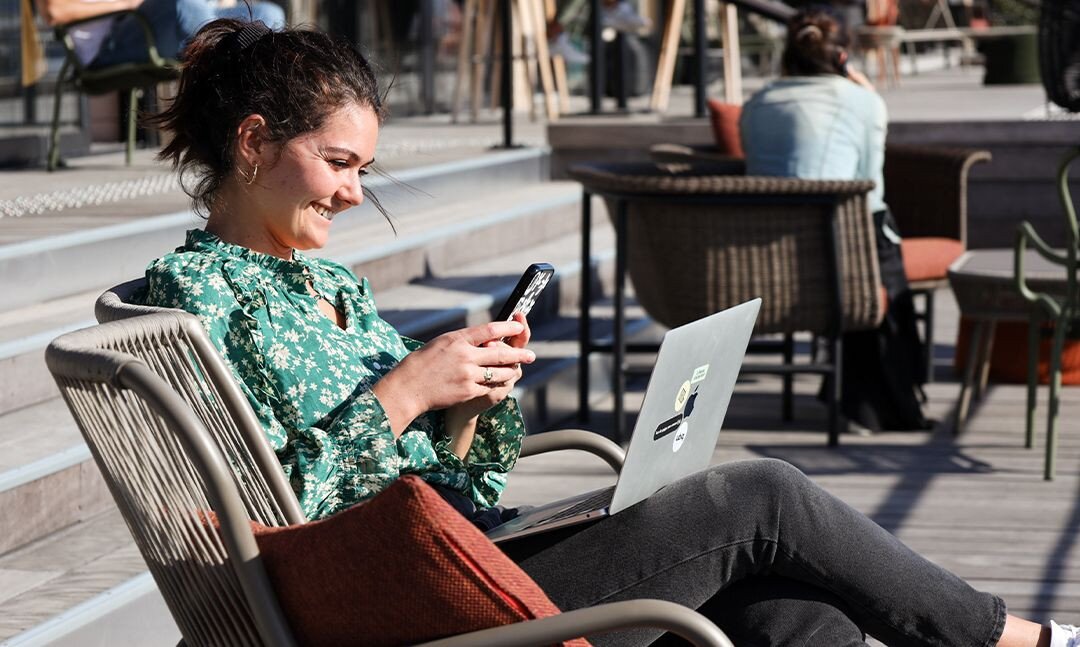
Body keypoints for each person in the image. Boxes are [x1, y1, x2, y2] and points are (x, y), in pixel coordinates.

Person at [137, 18, 1080, 647]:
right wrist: (406, 390)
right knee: (763, 497)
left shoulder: (323, 279)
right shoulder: (200, 296)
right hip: (389, 600)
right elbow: (264, 514)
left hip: (455, 549)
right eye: (337, 162)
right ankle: (1008, 638)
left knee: (785, 602)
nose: (352, 191)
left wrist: (473, 398)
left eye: (364, 168)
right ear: (255, 143)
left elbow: (440, 478)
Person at [740, 9, 929, 434]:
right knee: (877, 229)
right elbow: (871, 188)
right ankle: (881, 395)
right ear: (843, 59)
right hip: (840, 274)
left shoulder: (755, 104)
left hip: (759, 266)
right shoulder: (862, 103)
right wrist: (864, 89)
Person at [37, 0, 284, 68]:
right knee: (184, 5)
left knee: (267, 12)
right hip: (106, 47)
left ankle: (267, 83)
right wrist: (126, 4)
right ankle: (233, 80)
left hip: (156, 27)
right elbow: (54, 11)